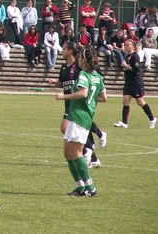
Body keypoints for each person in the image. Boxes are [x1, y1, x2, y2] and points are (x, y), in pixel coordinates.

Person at [55, 46, 107, 197]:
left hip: (80, 116)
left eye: (79, 58)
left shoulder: (83, 74)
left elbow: (83, 93)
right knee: (68, 153)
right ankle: (80, 186)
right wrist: (91, 95)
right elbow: (104, 97)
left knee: (76, 153)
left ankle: (90, 188)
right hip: (76, 116)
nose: (78, 60)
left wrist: (63, 96)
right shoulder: (98, 77)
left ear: (84, 60)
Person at [114, 39, 157, 129]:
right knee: (125, 101)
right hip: (128, 82)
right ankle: (124, 123)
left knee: (140, 102)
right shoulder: (127, 56)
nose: (126, 46)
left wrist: (126, 66)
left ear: (133, 46)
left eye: (128, 45)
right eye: (126, 45)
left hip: (136, 82)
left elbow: (136, 70)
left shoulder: (135, 56)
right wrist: (124, 74)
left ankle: (152, 118)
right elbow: (128, 69)